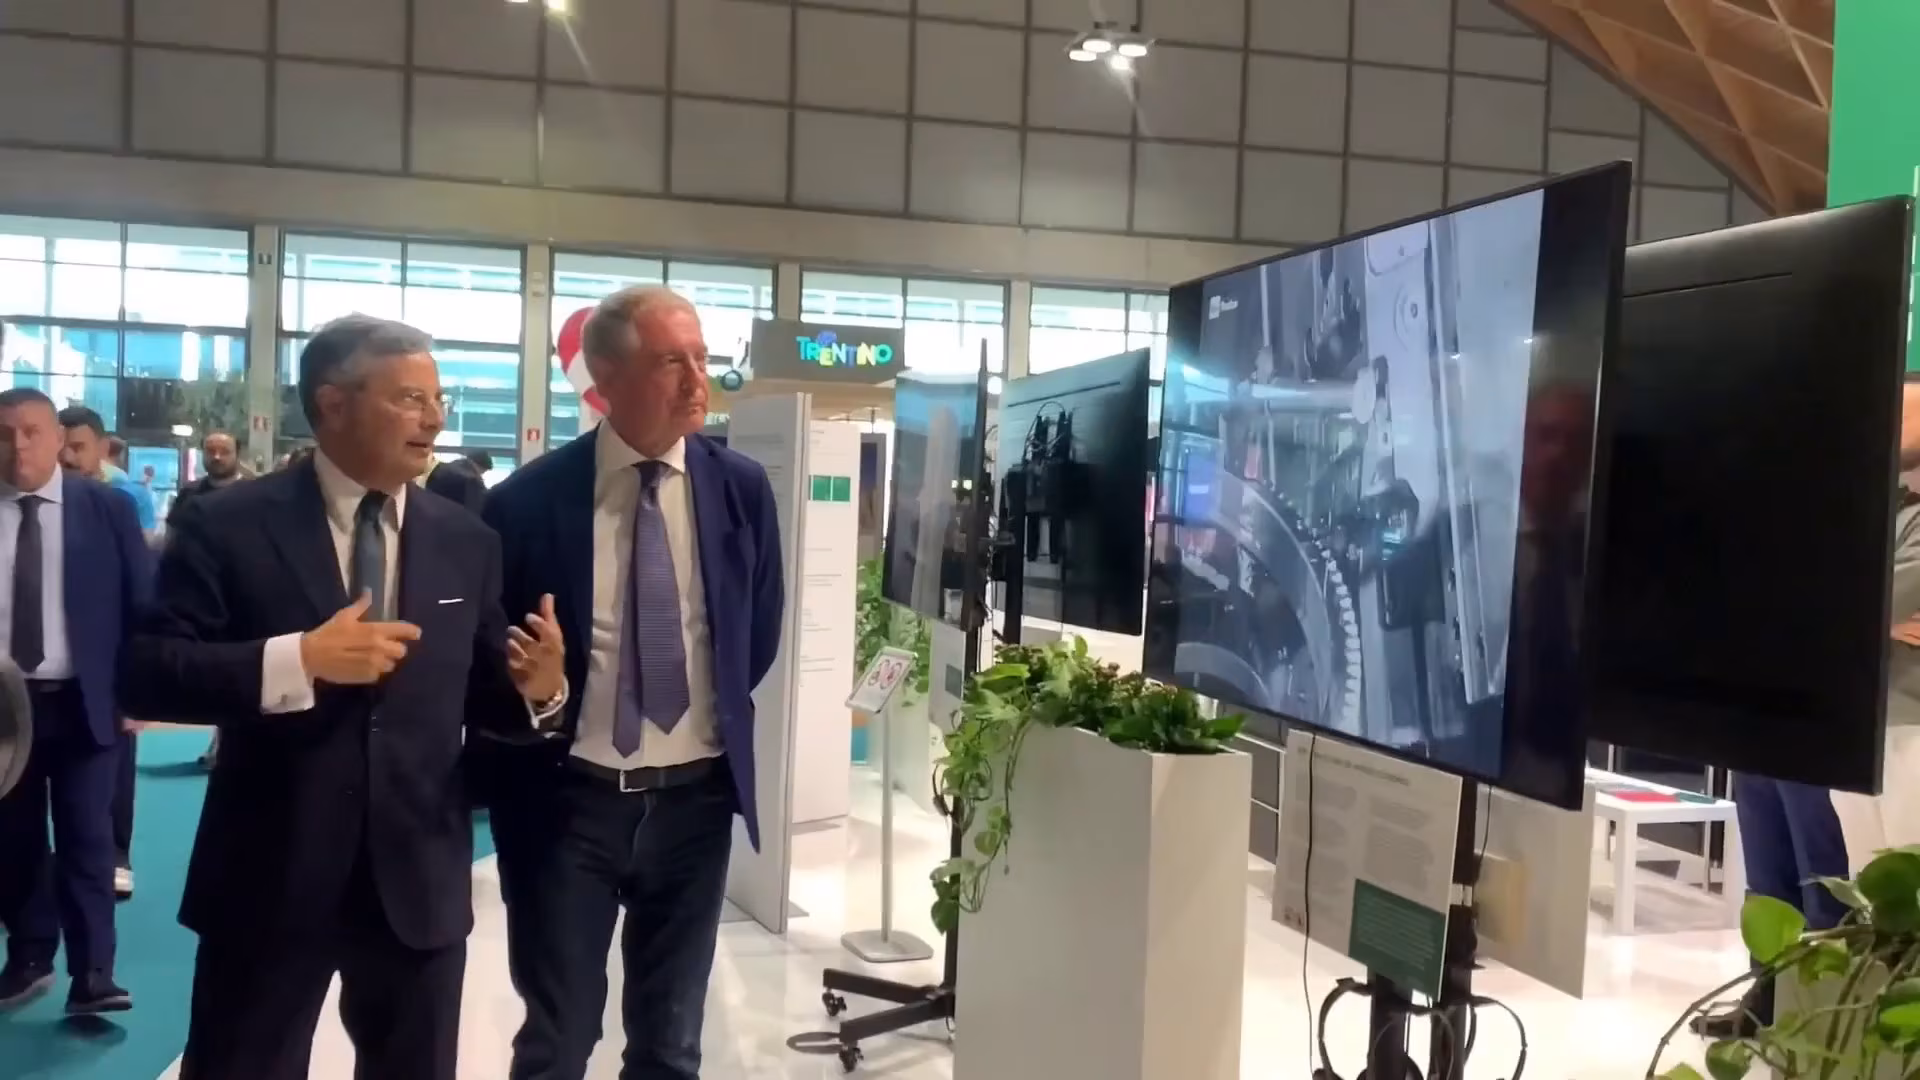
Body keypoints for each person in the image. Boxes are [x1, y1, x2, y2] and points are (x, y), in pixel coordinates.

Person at [118, 314, 570, 1080]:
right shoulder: (227, 523)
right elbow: (148, 671)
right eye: (411, 399)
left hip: (418, 878)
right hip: (271, 872)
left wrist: (541, 692)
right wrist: (298, 659)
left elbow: (483, 694)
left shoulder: (466, 540)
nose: (435, 420)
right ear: (333, 403)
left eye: (438, 399)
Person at [479, 286, 784, 1079]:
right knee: (559, 1039)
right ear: (605, 378)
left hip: (695, 805)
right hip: (567, 805)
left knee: (671, 1046)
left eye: (702, 358)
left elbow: (755, 635)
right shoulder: (524, 504)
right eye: (670, 361)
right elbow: (488, 666)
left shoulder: (740, 489)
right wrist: (545, 693)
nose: (697, 380)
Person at [0, 388, 150, 1014]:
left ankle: (93, 975)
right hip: (5, 712)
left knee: (88, 838)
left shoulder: (106, 508)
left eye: (32, 432)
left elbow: (142, 604)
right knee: (13, 840)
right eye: (4, 434)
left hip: (86, 703)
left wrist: (140, 692)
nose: (18, 447)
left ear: (59, 440)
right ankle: (29, 957)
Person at [57, 409, 157, 535]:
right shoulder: (38, 503)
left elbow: (145, 541)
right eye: (58, 449)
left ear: (103, 448)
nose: (67, 457)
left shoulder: (132, 498)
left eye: (78, 448)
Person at [168, 431, 246, 527]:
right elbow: (173, 531)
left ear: (237, 454)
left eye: (225, 452)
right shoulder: (188, 493)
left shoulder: (253, 494)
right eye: (210, 451)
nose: (217, 457)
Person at [422, 449, 491, 515]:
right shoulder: (472, 480)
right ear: (477, 465)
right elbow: (473, 510)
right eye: (483, 471)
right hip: (452, 518)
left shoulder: (443, 468)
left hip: (430, 512)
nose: (481, 474)